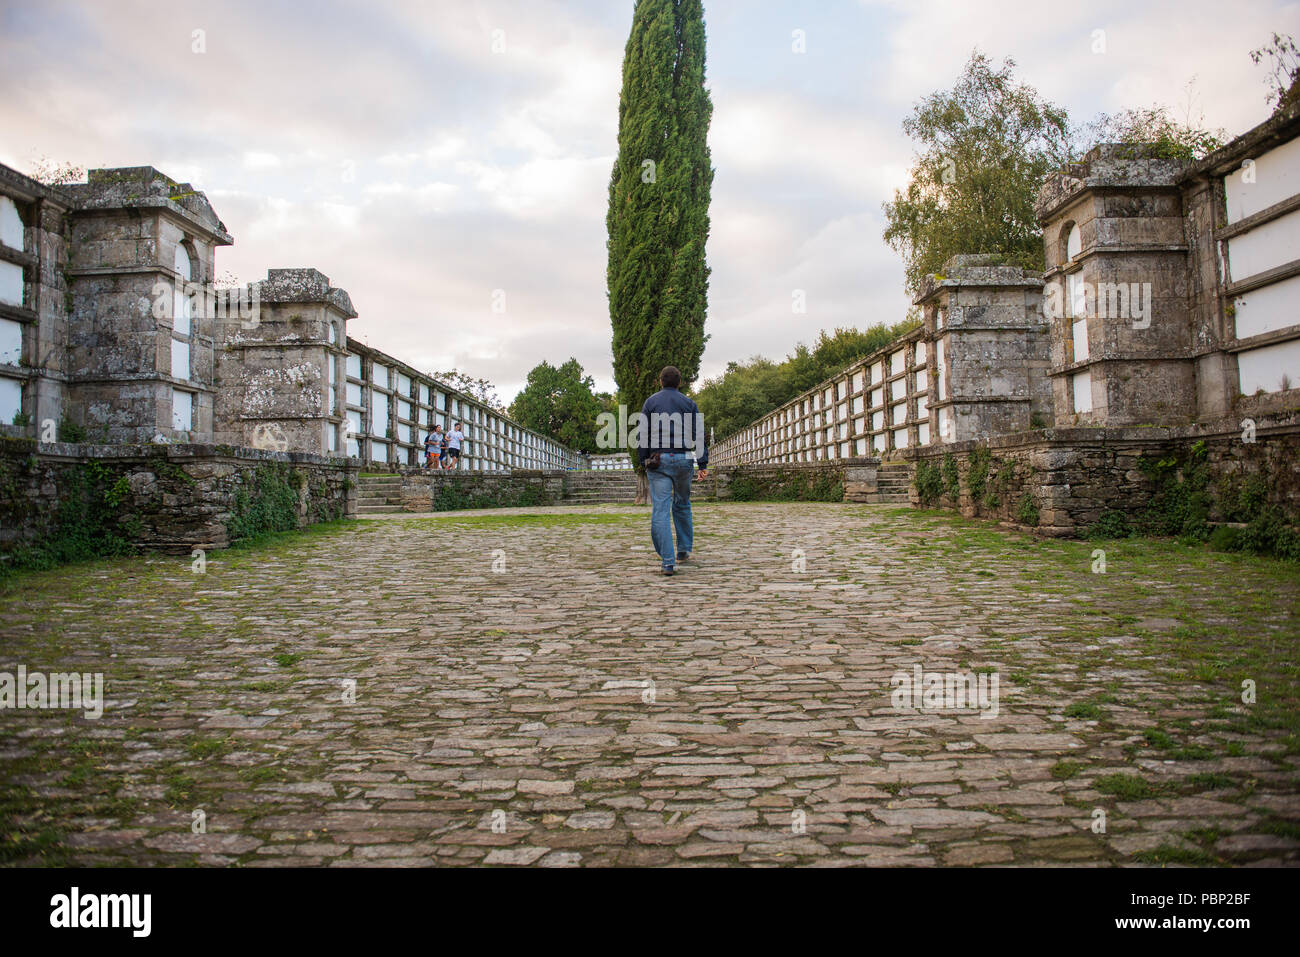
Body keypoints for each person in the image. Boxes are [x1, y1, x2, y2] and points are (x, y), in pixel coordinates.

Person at [638, 365, 708, 577]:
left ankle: (668, 562)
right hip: (683, 458)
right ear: (680, 383)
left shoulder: (650, 403)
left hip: (658, 459)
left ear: (661, 381)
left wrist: (644, 461)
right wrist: (702, 464)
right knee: (682, 503)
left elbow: (642, 434)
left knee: (660, 509)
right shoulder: (689, 403)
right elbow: (699, 435)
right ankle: (684, 549)